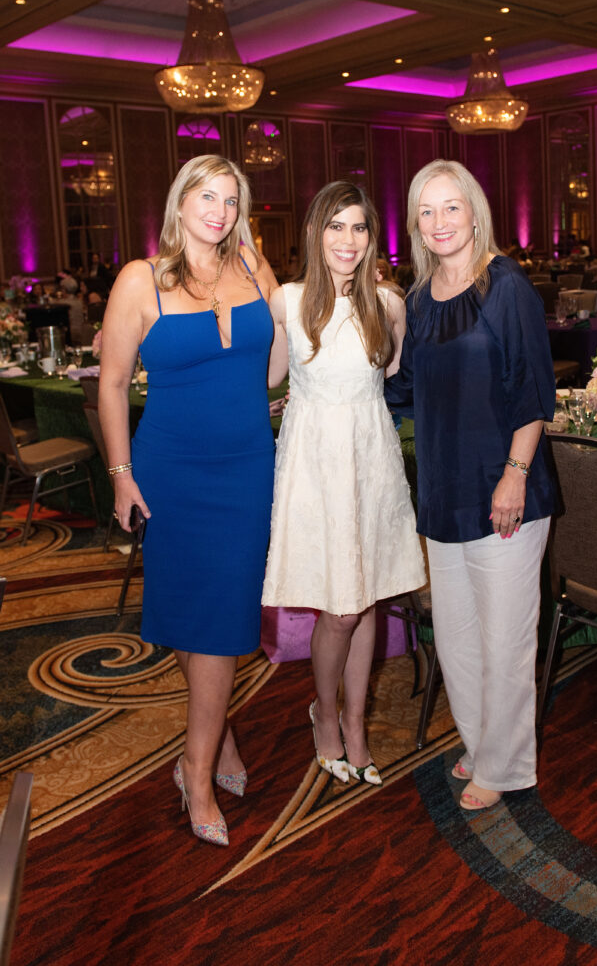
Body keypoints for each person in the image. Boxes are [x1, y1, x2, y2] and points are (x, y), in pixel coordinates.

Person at [99, 154, 284, 846]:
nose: (219, 210)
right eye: (207, 196)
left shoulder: (254, 268)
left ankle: (202, 755)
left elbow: (273, 366)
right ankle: (203, 765)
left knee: (223, 614)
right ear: (180, 203)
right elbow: (113, 383)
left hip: (244, 468)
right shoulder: (139, 280)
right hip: (170, 469)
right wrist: (121, 473)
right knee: (190, 613)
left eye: (232, 200)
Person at [384, 159, 556, 812]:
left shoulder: (505, 288)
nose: (438, 223)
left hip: (504, 491)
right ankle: (482, 743)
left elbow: (533, 395)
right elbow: (397, 387)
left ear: (475, 212)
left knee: (505, 640)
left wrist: (513, 477)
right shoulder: (418, 300)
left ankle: (506, 767)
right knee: (454, 637)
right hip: (442, 492)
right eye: (425, 212)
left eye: (450, 207)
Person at [262, 181, 425, 786]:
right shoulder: (287, 300)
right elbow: (272, 378)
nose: (348, 240)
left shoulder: (390, 303)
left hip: (371, 459)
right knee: (339, 608)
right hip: (313, 466)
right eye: (336, 227)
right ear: (315, 234)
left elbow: (391, 374)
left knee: (369, 595)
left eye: (358, 228)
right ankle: (324, 715)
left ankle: (356, 722)